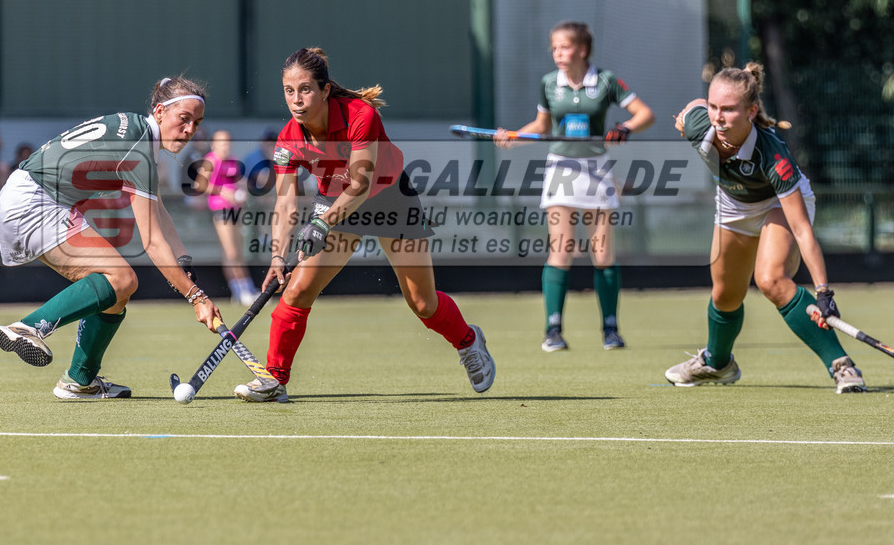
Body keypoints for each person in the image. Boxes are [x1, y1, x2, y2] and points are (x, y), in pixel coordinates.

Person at [233, 47, 495, 403]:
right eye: (289, 91)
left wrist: (322, 223)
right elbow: (285, 202)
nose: (296, 99)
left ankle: (468, 341)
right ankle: (274, 380)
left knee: (422, 303)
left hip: (390, 199)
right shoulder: (287, 139)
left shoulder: (360, 115)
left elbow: (360, 185)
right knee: (296, 291)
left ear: (325, 90)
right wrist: (278, 256)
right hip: (335, 204)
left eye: (305, 89)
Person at [0, 75, 223, 399]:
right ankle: (28, 327)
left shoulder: (137, 135)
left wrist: (182, 260)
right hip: (34, 203)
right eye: (183, 119)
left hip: (32, 197)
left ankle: (79, 380)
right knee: (121, 278)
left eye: (196, 124)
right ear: (160, 111)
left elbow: (157, 209)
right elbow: (152, 241)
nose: (189, 130)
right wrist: (196, 297)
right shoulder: (140, 149)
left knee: (118, 292)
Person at [664, 62, 865, 394]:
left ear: (751, 111)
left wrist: (823, 292)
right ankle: (717, 363)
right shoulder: (701, 126)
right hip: (733, 204)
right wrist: (689, 111)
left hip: (778, 203)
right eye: (714, 107)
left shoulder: (773, 155)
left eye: (729, 109)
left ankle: (842, 365)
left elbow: (802, 229)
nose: (718, 118)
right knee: (725, 295)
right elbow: (696, 108)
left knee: (771, 280)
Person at [494, 21, 654, 352]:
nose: (557, 53)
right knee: (562, 248)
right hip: (560, 169)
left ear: (582, 50)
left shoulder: (606, 81)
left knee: (602, 253)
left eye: (564, 47)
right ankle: (553, 330)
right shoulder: (549, 83)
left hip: (596, 169)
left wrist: (624, 127)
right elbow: (542, 126)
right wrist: (513, 137)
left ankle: (610, 329)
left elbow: (645, 114)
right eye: (554, 47)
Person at [195, 129, 260, 304]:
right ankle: (242, 290)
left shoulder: (232, 160)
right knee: (231, 252)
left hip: (235, 209)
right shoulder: (211, 160)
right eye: (221, 142)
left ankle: (243, 290)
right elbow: (200, 184)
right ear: (214, 144)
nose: (225, 146)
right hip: (221, 209)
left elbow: (237, 182)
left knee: (236, 252)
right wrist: (222, 192)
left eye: (227, 142)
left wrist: (243, 191)